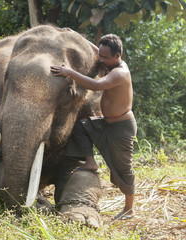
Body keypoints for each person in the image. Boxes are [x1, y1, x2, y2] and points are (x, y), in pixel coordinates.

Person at [50, 33, 137, 220]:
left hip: (121, 127)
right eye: (101, 56)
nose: (101, 60)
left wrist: (70, 73)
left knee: (123, 168)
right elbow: (98, 51)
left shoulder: (119, 73)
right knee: (79, 126)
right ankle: (90, 162)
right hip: (105, 123)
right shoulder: (111, 62)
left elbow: (97, 86)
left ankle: (129, 209)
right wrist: (77, 37)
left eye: (105, 57)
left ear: (118, 56)